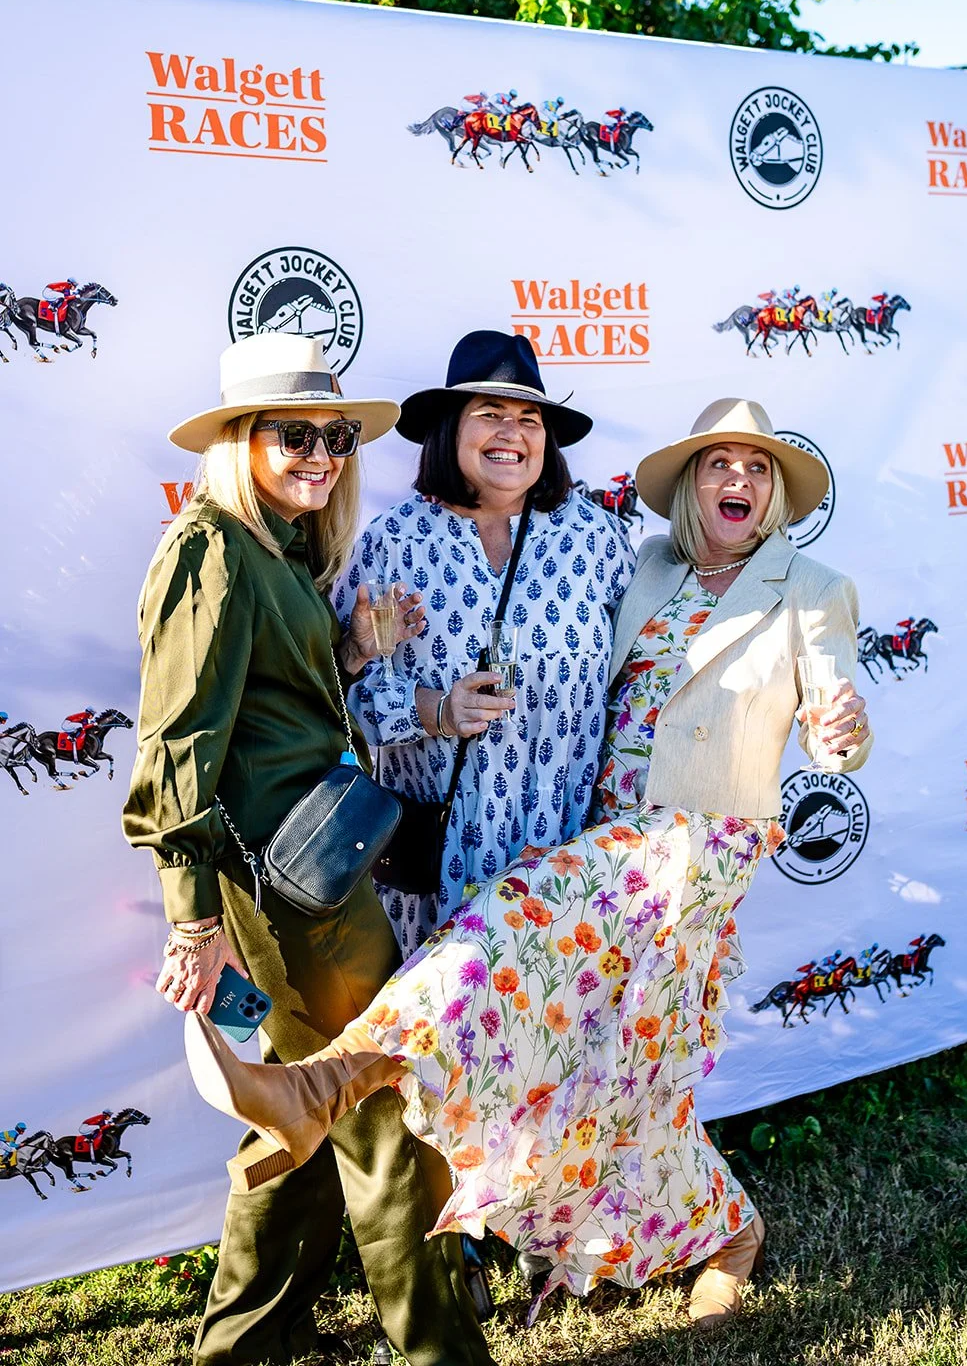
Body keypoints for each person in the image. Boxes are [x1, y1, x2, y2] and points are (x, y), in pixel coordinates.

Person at [184, 393, 872, 1334]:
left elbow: (834, 704)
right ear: (691, 486)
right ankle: (722, 1230)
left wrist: (840, 733)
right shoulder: (648, 566)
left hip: (696, 841)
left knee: (512, 916)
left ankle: (326, 1081)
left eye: (758, 469)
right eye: (719, 464)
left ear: (778, 494)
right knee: (615, 1069)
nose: (738, 480)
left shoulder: (809, 587)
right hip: (607, 829)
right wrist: (407, 684)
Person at [123, 332, 495, 1366]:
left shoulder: (273, 546)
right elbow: (178, 744)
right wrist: (193, 916)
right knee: (376, 1107)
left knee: (302, 1113)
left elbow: (270, 704)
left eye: (335, 434)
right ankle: (441, 1352)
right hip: (286, 887)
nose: (321, 453)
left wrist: (353, 651)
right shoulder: (209, 548)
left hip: (311, 872)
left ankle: (246, 1341)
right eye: (294, 434)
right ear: (240, 439)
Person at [336, 330, 634, 958]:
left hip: (567, 858)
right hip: (436, 860)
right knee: (432, 1041)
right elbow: (345, 691)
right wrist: (436, 711)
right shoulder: (395, 544)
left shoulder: (597, 539)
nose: (512, 432)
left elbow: (638, 678)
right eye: (490, 415)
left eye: (529, 419)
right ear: (450, 428)